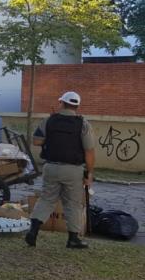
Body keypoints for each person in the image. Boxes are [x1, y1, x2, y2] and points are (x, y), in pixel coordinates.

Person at [25, 91, 95, 250]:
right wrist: (89, 173)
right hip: (74, 170)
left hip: (51, 167)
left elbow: (36, 141)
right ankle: (73, 239)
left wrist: (50, 138)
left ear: (61, 103)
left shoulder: (49, 120)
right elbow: (89, 151)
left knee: (46, 199)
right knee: (73, 203)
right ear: (77, 106)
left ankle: (33, 232)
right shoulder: (83, 124)